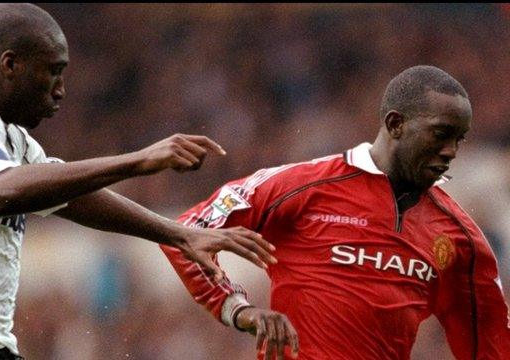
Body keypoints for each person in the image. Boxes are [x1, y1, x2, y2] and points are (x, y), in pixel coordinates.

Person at [0, 3, 281, 360]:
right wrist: (137, 161)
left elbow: (72, 198)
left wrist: (177, 234)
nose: (61, 90)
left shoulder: (10, 140)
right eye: (53, 72)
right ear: (10, 64)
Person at [162, 65, 510, 359]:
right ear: (395, 124)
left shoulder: (459, 238)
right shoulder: (299, 185)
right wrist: (237, 309)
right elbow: (189, 230)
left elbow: (492, 346)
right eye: (441, 134)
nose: (451, 151)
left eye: (459, 139)